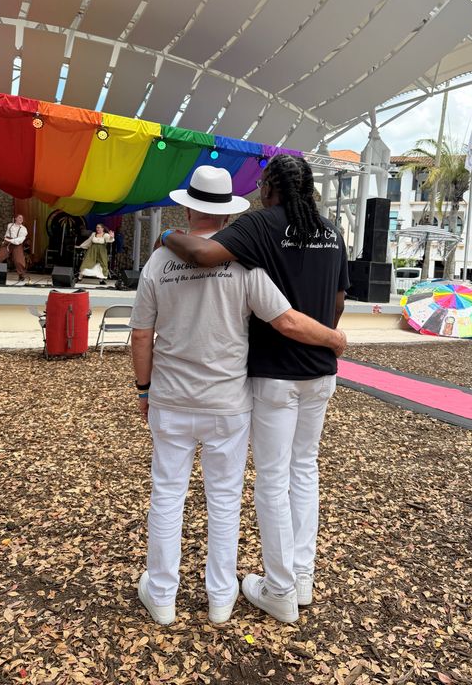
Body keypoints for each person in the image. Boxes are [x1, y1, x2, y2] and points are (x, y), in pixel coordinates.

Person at [130, 165, 346, 627]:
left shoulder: (159, 262)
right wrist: (334, 339)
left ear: (187, 207)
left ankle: (164, 595)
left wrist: (143, 389)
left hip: (176, 397)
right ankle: (223, 599)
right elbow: (295, 316)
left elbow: (141, 336)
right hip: (233, 401)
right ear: (228, 215)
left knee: (168, 495)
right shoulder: (253, 264)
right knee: (236, 495)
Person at [0, 214, 28, 282]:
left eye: (22, 218)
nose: (21, 219)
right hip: (8, 243)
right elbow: (7, 234)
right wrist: (5, 241)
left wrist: (10, 240)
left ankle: (21, 275)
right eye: (19, 217)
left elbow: (20, 240)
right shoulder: (10, 225)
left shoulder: (24, 229)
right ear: (15, 218)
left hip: (17, 244)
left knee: (19, 260)